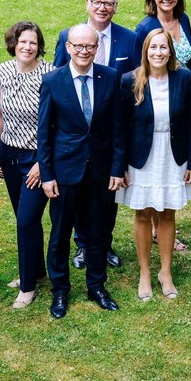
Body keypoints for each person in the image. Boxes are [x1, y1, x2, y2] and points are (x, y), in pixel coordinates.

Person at [38, 24, 127, 319]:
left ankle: (97, 286)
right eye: (78, 46)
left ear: (96, 48)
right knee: (60, 234)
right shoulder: (53, 81)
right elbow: (45, 135)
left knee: (99, 232)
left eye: (89, 46)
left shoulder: (110, 78)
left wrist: (117, 168)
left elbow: (118, 128)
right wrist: (48, 175)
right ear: (68, 48)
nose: (84, 51)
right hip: (65, 172)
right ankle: (60, 290)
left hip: (101, 172)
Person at [53, 0, 137, 270]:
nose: (102, 7)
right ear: (87, 4)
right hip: (75, 134)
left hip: (110, 128)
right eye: (97, 2)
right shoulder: (69, 36)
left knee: (105, 198)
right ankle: (82, 245)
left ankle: (104, 243)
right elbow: (58, 82)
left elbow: (138, 79)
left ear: (115, 7)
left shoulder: (129, 38)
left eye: (109, 3)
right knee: (76, 193)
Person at [117, 30, 191, 300]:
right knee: (142, 214)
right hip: (141, 156)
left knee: (167, 213)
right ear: (145, 50)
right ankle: (144, 272)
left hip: (173, 154)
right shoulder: (130, 80)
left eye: (163, 47)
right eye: (153, 47)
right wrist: (121, 167)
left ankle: (165, 271)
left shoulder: (183, 78)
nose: (158, 53)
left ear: (170, 51)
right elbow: (120, 129)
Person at [0, 21, 55, 309]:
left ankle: (27, 287)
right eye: (22, 42)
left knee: (26, 220)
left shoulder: (51, 74)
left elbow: (58, 123)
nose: (27, 47)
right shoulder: (2, 71)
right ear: (13, 44)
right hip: (10, 154)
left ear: (38, 45)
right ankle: (37, 271)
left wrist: (43, 162)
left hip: (36, 159)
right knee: (23, 216)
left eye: (32, 42)